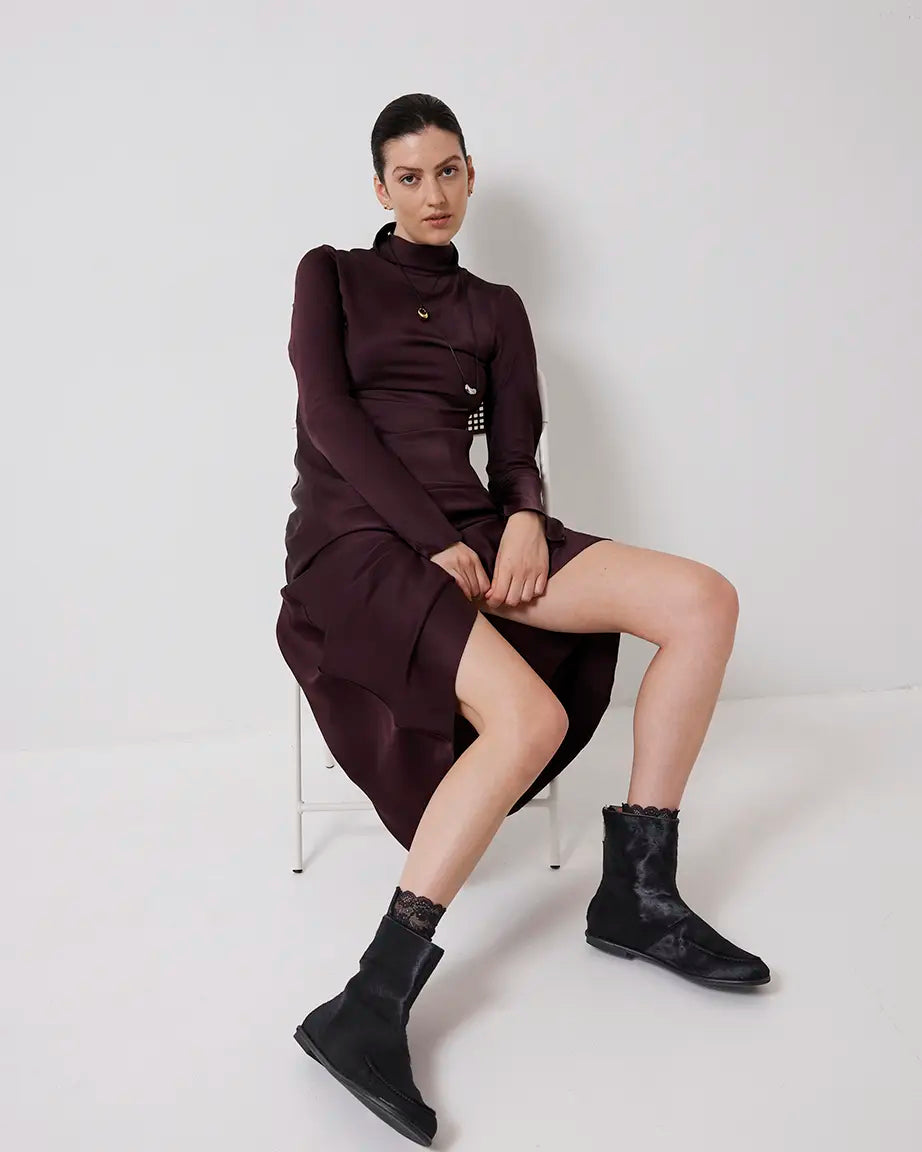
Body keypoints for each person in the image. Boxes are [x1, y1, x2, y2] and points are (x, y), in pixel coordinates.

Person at [278, 93, 771, 1146]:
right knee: (532, 717)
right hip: (356, 545)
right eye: (408, 177)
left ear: (470, 174)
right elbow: (330, 422)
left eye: (448, 170)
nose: (432, 193)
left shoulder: (494, 307)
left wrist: (521, 521)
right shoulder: (328, 274)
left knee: (700, 601)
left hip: (467, 533)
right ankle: (368, 1002)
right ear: (379, 189)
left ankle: (638, 897)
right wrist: (433, 537)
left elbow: (514, 449)